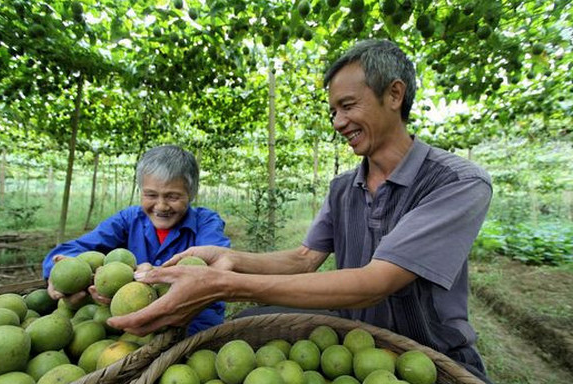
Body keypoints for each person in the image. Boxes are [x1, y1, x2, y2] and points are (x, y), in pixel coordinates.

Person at [108, 40, 493, 383]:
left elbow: (375, 282)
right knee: (243, 327)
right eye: (333, 112)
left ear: (394, 95)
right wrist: (228, 258)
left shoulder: (456, 183)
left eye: (347, 106)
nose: (338, 123)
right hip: (349, 350)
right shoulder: (344, 188)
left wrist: (226, 284)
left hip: (429, 357)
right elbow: (303, 259)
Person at [42, 144, 230, 336]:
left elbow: (217, 271)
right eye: (151, 195)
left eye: (172, 196)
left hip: (195, 325)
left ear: (191, 194)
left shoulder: (206, 222)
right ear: (140, 191)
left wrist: (157, 276)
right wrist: (59, 271)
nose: (161, 206)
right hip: (132, 327)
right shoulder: (128, 219)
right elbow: (71, 250)